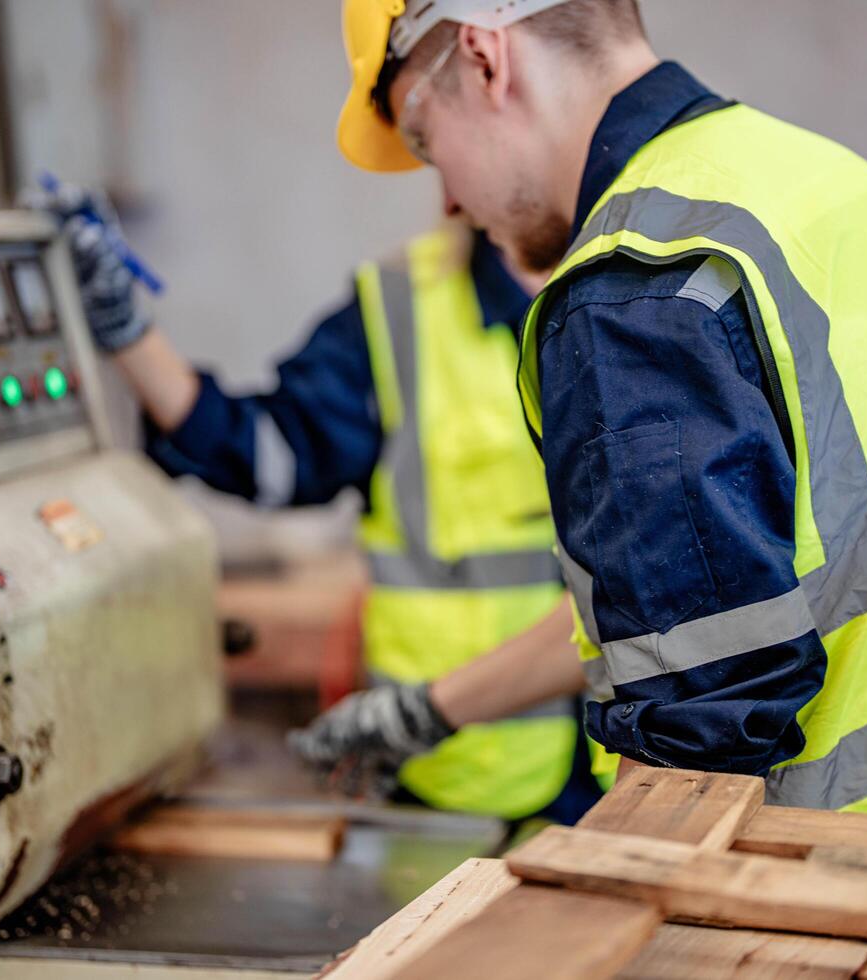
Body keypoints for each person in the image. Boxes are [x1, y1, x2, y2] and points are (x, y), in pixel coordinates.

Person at [332, 0, 867, 832]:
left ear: (484, 58)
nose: (452, 202)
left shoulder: (633, 288)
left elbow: (694, 747)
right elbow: (762, 583)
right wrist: (434, 708)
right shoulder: (824, 183)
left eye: (426, 141)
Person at [48, 190, 600, 824]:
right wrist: (131, 337)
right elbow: (272, 453)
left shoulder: (642, 291)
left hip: (631, 774)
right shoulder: (404, 308)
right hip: (466, 784)